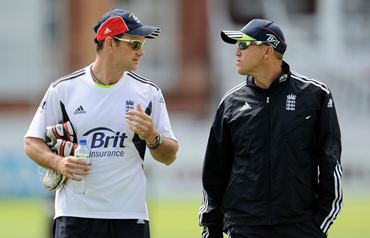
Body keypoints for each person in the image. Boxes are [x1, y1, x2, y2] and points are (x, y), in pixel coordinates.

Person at [24, 8, 178, 238]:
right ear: (109, 43)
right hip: (75, 215)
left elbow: (170, 155)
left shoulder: (149, 93)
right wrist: (58, 162)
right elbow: (31, 143)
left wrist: (152, 137)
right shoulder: (64, 90)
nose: (142, 52)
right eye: (134, 45)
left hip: (129, 215)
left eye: (143, 45)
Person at [199, 19, 342, 238]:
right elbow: (214, 174)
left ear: (267, 50)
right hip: (245, 228)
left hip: (300, 228)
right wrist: (212, 229)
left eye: (244, 45)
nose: (236, 52)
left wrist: (317, 226)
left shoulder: (316, 96)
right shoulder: (230, 102)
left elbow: (330, 163)